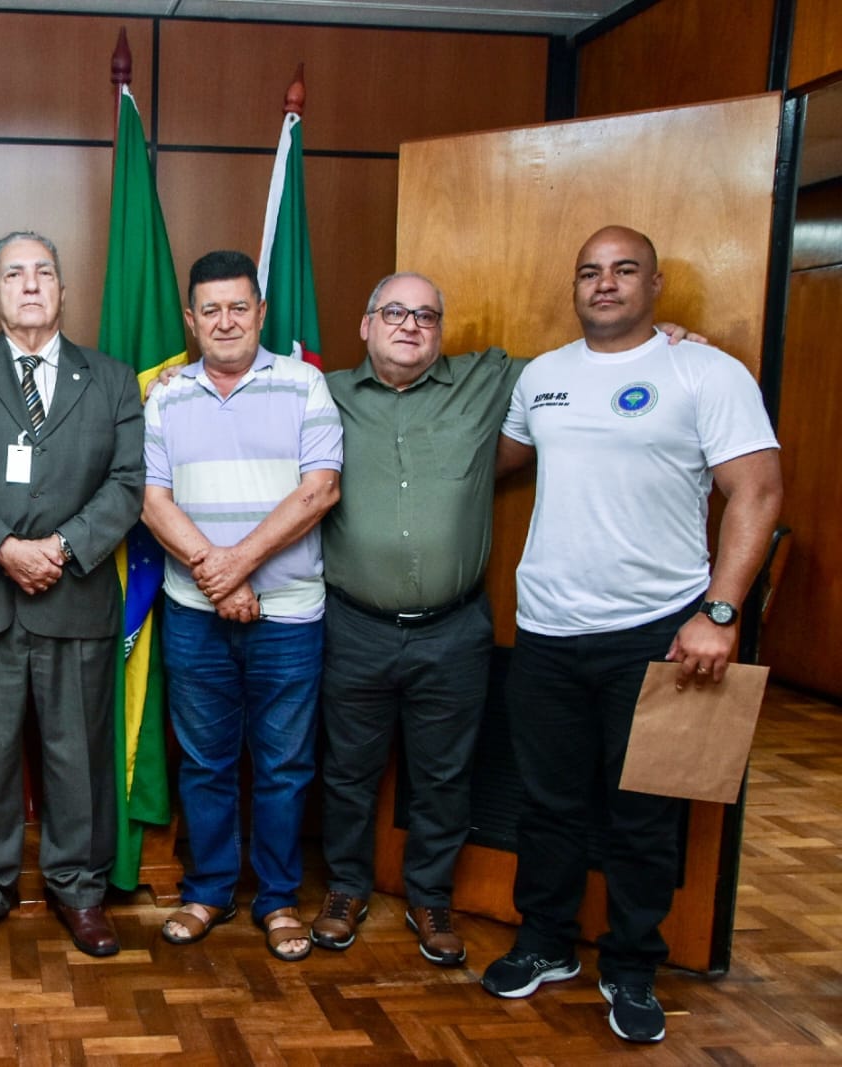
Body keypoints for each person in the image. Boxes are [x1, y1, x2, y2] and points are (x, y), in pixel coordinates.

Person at [311, 273, 703, 967]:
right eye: (394, 312)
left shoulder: (492, 379)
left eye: (427, 315)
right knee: (347, 769)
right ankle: (345, 887)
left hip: (453, 629)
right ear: (366, 324)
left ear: (441, 329)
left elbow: (590, 365)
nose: (410, 325)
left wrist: (662, 343)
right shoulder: (321, 394)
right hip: (354, 624)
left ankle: (430, 896)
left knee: (445, 773)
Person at [484, 226, 781, 1044]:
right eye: (589, 271)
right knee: (546, 804)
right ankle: (545, 942)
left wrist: (720, 611)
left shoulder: (705, 371)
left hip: (661, 631)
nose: (604, 283)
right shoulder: (542, 377)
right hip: (546, 626)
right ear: (574, 287)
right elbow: (486, 459)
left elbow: (756, 492)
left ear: (655, 285)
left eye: (623, 270)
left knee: (643, 813)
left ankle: (633, 964)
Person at [0, 231, 143, 957]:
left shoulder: (109, 378)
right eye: (13, 274)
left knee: (76, 751)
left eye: (44, 271)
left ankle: (79, 887)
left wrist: (65, 546)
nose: (30, 284)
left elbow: (129, 483)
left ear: (64, 289)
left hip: (74, 598)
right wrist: (5, 549)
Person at [142, 250, 343, 962]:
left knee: (285, 764)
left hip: (289, 613)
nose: (224, 321)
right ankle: (209, 889)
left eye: (239, 307)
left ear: (260, 313)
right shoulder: (164, 396)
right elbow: (150, 498)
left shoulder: (306, 385)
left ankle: (280, 899)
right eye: (210, 310)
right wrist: (217, 578)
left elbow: (319, 490)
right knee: (205, 761)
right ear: (191, 321)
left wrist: (237, 566)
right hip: (194, 612)